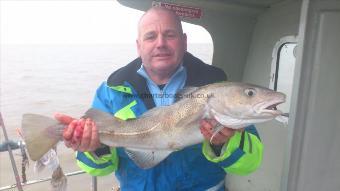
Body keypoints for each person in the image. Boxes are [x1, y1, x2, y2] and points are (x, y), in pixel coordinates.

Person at [55, 7, 263, 191]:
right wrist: (95, 148)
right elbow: (100, 169)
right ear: (139, 46)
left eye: (169, 34)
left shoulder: (216, 85)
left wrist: (224, 143)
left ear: (184, 41)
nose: (160, 43)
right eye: (150, 36)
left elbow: (249, 164)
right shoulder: (111, 91)